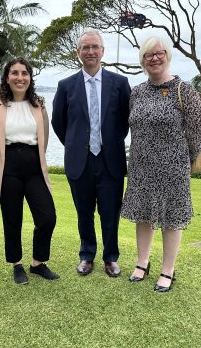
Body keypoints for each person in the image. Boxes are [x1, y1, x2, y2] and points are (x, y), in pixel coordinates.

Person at [120, 35, 201, 292]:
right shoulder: (137, 92)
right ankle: (142, 262)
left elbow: (198, 129)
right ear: (142, 60)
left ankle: (167, 269)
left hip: (173, 167)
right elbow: (131, 126)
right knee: (143, 215)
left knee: (171, 218)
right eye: (148, 55)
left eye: (159, 53)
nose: (154, 58)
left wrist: (185, 157)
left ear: (167, 56)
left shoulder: (184, 89)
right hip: (141, 166)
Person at [52, 29, 131, 277]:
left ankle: (110, 257)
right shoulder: (66, 86)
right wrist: (77, 144)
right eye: (85, 47)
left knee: (110, 213)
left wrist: (110, 141)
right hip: (80, 161)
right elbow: (58, 122)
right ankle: (87, 255)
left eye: (95, 47)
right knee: (84, 212)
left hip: (111, 161)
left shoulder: (119, 83)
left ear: (102, 51)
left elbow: (126, 121)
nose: (90, 52)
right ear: (78, 53)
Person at [0, 57, 59, 285]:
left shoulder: (38, 104)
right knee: (12, 219)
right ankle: (16, 264)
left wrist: (38, 157)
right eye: (14, 73)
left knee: (47, 217)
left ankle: (37, 263)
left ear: (30, 77)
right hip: (8, 168)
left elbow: (43, 136)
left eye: (24, 73)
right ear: (7, 77)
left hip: (34, 166)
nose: (20, 77)